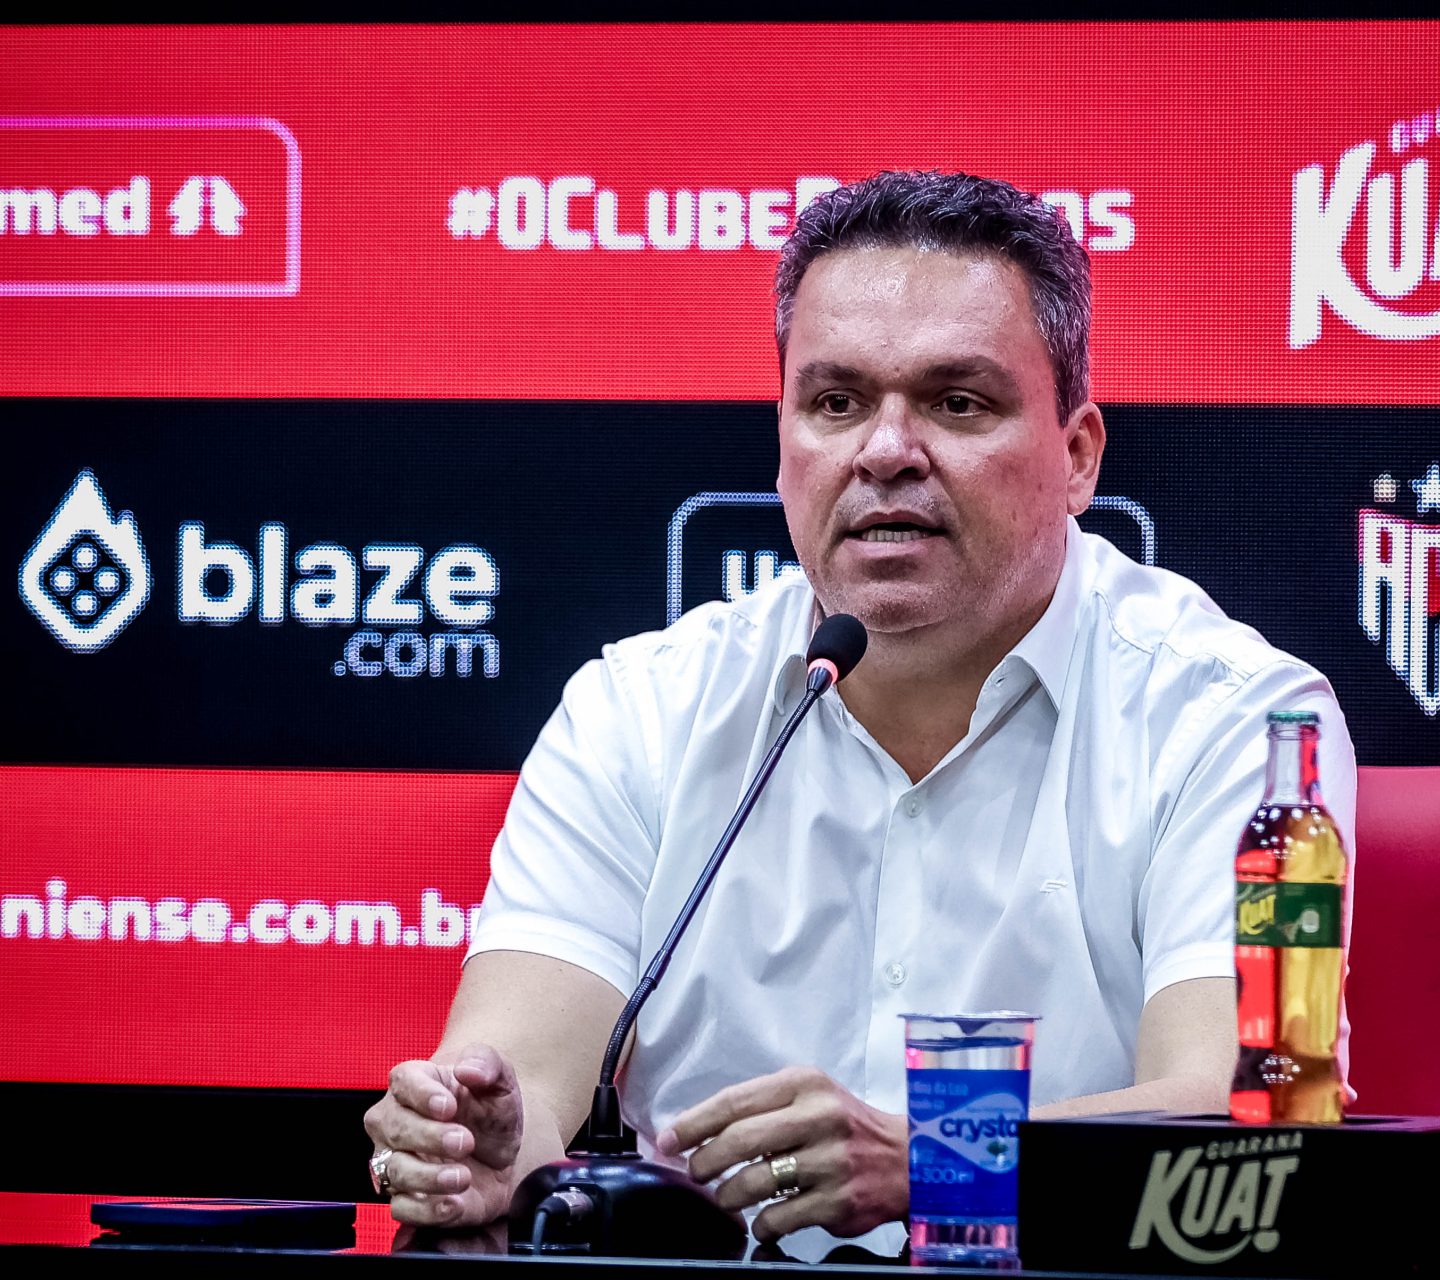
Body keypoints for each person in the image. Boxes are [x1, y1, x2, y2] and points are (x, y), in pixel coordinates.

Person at [363, 169, 1355, 1255]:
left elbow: (1246, 1114)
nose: (885, 450)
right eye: (836, 403)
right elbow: (523, 1084)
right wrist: (481, 1148)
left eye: (957, 402)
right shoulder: (639, 710)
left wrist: (933, 1161)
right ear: (785, 441)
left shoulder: (1234, 719)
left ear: (1076, 457)